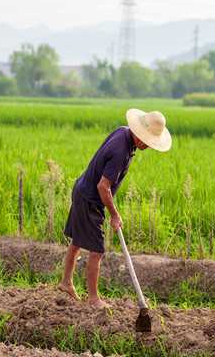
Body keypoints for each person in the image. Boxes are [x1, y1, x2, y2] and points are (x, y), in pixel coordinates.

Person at [57, 108, 172, 308]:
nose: (149, 146)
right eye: (148, 142)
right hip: (91, 199)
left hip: (82, 190)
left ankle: (66, 283)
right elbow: (103, 186)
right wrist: (114, 214)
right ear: (140, 136)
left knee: (77, 241)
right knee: (97, 250)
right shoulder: (121, 152)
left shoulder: (122, 132)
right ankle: (93, 299)